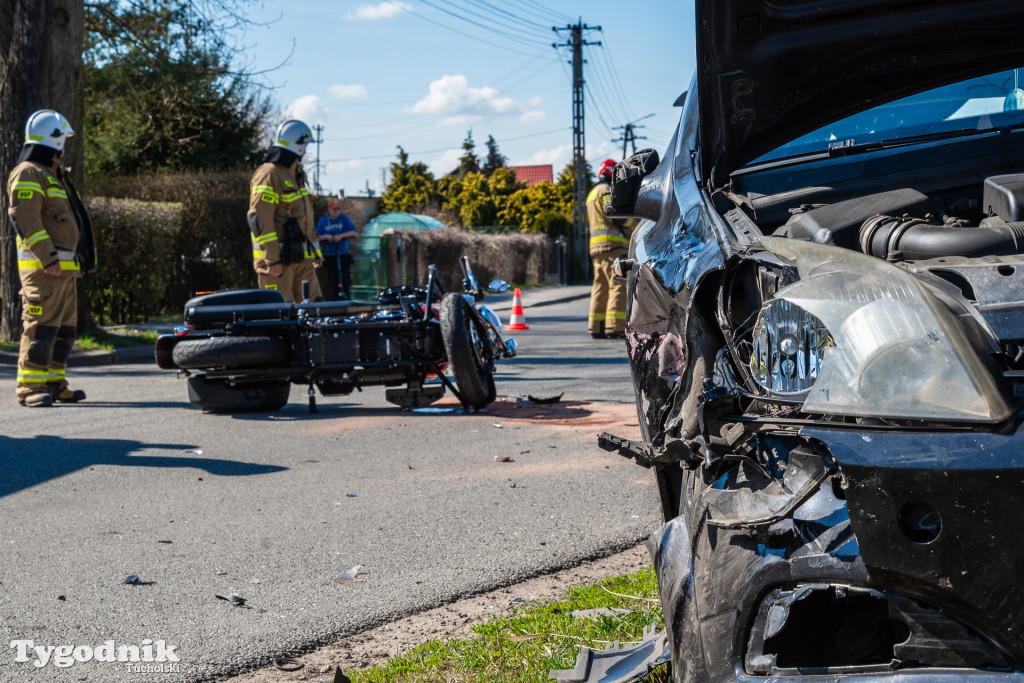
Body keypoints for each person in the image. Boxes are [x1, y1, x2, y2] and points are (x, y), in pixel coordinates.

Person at [7, 109, 96, 407]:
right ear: (51, 140)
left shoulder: (52, 175)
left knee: (64, 332)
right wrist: (48, 259)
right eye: (62, 141)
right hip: (45, 272)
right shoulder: (28, 172)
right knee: (40, 330)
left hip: (64, 272)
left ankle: (55, 383)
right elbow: (26, 219)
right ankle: (29, 389)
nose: (64, 147)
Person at [248, 119, 323, 302]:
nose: (305, 152)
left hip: (302, 260)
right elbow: (259, 218)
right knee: (282, 315)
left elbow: (306, 218)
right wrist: (272, 259)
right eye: (305, 146)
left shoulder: (295, 175)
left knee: (315, 310)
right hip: (279, 264)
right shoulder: (269, 174)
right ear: (298, 146)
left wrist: (316, 252)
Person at [587, 158, 634, 339]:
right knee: (618, 284)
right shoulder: (606, 190)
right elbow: (616, 215)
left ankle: (596, 326)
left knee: (600, 286)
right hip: (613, 245)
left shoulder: (592, 193)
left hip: (596, 248)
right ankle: (614, 327)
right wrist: (632, 222)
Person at [315, 199, 358, 300]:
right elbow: (316, 236)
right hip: (330, 254)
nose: (336, 211)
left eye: (338, 209)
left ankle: (346, 296)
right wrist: (326, 237)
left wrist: (341, 236)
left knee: (345, 277)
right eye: (334, 209)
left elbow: (354, 232)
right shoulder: (324, 221)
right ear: (329, 209)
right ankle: (334, 298)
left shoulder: (343, 218)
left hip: (342, 253)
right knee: (332, 279)